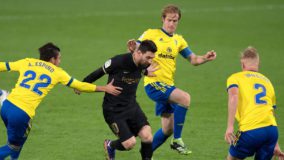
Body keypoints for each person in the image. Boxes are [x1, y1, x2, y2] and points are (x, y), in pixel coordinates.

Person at [0, 42, 122, 160]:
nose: (60, 61)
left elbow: (5, 65)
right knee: (12, 147)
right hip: (21, 113)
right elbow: (79, 85)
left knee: (18, 141)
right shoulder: (57, 72)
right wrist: (104, 88)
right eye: (59, 58)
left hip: (6, 106)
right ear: (52, 59)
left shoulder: (28, 62)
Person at [128, 4, 217, 154]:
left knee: (167, 129)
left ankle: (146, 154)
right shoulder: (151, 34)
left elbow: (193, 59)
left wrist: (205, 58)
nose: (172, 24)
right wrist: (134, 49)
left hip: (167, 85)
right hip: (154, 84)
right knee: (185, 98)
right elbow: (135, 50)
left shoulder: (178, 40)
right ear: (163, 19)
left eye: (175, 21)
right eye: (169, 20)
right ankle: (177, 140)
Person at [80, 40, 158, 160]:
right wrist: (82, 84)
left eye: (152, 58)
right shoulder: (119, 61)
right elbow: (99, 72)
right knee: (129, 143)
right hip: (113, 110)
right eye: (148, 57)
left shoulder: (144, 63)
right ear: (138, 53)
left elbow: (140, 68)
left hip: (132, 106)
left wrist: (147, 72)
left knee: (147, 136)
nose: (150, 61)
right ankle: (110, 145)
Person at [225, 46, 284, 160]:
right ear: (258, 64)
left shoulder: (235, 77)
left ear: (242, 64)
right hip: (272, 132)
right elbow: (271, 112)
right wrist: (276, 144)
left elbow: (233, 97)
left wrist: (230, 126)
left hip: (250, 130)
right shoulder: (267, 81)